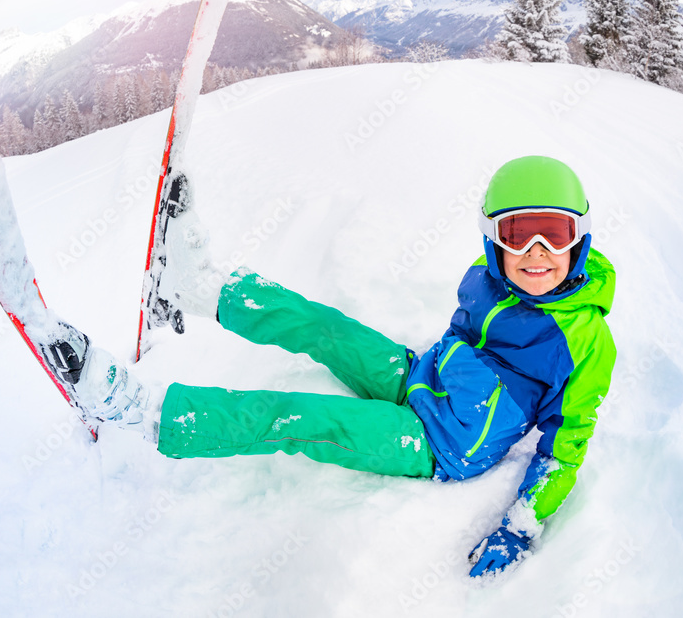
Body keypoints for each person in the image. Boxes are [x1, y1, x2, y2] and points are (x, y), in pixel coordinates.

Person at [70, 154, 617, 578]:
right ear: (492, 239)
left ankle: (149, 412)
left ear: (581, 237)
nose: (538, 252)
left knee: (301, 417)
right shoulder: (487, 275)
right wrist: (434, 370)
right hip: (422, 377)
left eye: (558, 233)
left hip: (438, 442)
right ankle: (203, 287)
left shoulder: (587, 343)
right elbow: (468, 337)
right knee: (327, 328)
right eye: (519, 234)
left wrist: (521, 524)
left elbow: (566, 449)